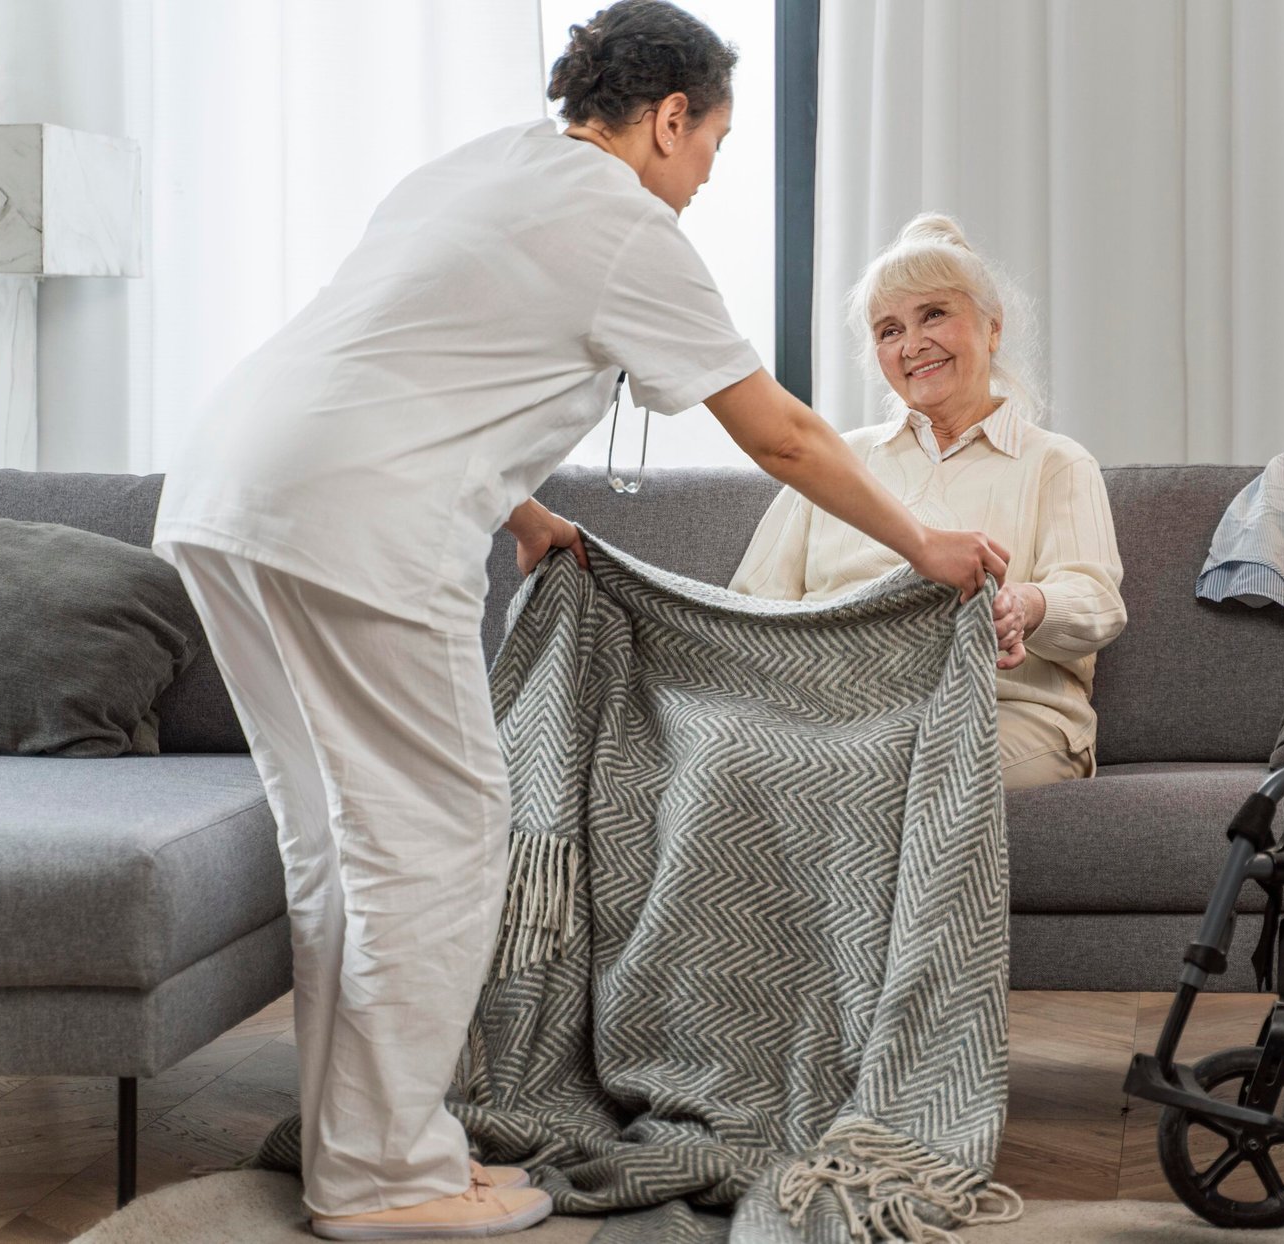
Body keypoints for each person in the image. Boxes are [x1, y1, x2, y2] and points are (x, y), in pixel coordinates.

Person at [149, 3, 1009, 1239]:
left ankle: (370, 1156)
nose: (707, 178)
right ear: (669, 119)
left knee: (338, 844)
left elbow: (417, 359)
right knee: (440, 844)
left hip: (231, 494)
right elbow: (781, 430)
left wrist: (520, 506)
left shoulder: (483, 167)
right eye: (712, 145)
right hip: (358, 531)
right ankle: (389, 1176)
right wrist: (924, 541)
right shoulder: (623, 225)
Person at [730, 214, 1126, 790]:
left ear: (992, 328)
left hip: (1002, 711)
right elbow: (753, 607)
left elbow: (1097, 602)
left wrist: (1025, 605)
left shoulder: (1056, 463)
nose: (913, 344)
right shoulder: (837, 461)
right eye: (888, 330)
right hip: (842, 715)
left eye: (934, 314)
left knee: (884, 768)